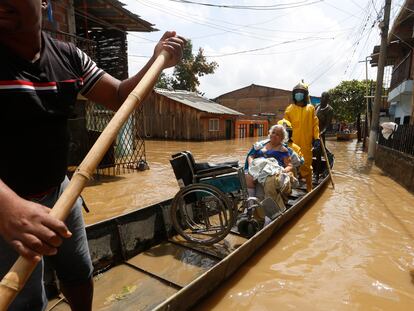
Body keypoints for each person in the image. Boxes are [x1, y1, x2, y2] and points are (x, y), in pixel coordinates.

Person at [0, 1, 185, 311]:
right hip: (6, 204)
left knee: (79, 273)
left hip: (62, 191)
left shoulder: (69, 56)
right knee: (25, 301)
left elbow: (118, 97)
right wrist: (7, 208)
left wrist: (157, 61)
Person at [284, 81, 320, 192]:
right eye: (297, 93)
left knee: (307, 166)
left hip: (306, 143)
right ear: (294, 95)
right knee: (291, 165)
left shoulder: (311, 109)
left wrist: (317, 138)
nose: (298, 95)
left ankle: (309, 188)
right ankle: (291, 188)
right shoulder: (289, 109)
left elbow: (315, 124)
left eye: (301, 93)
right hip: (292, 143)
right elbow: (284, 125)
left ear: (305, 95)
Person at [245, 124, 293, 196]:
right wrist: (252, 166)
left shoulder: (283, 150)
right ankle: (251, 203)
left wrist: (282, 171)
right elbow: (251, 156)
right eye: (273, 132)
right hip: (257, 168)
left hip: (271, 172)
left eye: (277, 134)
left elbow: (289, 165)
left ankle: (261, 203)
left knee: (265, 182)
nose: (274, 135)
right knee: (248, 177)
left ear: (282, 138)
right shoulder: (261, 145)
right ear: (270, 133)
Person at [314, 92, 333, 180]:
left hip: (320, 134)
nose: (323, 99)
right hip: (312, 132)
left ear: (327, 99)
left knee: (318, 153)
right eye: (322, 97)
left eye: (325, 98)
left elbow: (327, 125)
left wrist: (322, 132)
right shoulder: (317, 106)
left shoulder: (329, 110)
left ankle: (317, 173)